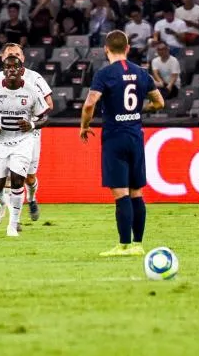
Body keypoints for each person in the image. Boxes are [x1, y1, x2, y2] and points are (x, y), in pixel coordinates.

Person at [79, 30, 164, 256]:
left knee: (121, 194)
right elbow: (159, 102)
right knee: (137, 193)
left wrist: (84, 126)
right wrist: (139, 110)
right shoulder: (141, 72)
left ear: (106, 49)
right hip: (135, 135)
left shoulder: (104, 74)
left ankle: (124, 245)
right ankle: (138, 244)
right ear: (127, 48)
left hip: (115, 136)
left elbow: (89, 104)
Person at [0, 44, 54, 224]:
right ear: (3, 59)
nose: (13, 57)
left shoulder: (34, 78)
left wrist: (30, 119)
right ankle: (8, 212)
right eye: (9, 55)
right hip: (4, 135)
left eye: (17, 54)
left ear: (22, 58)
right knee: (7, 175)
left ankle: (31, 197)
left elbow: (49, 105)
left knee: (28, 177)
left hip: (29, 135)